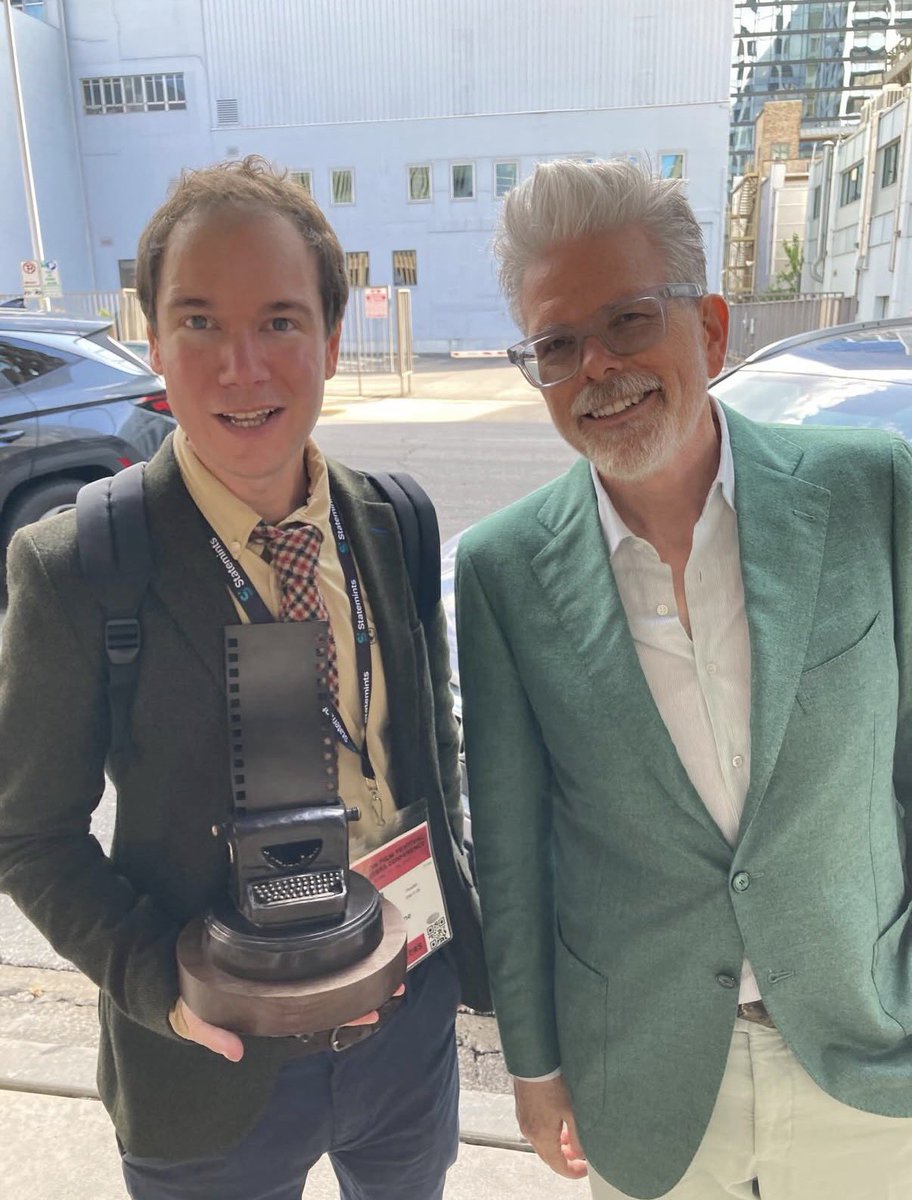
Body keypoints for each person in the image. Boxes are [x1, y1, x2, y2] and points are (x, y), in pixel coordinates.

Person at [0, 156, 488, 1200]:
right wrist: (161, 988)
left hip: (403, 1039)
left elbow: (426, 761)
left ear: (331, 339)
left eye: (277, 321)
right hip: (209, 1071)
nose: (241, 367)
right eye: (199, 323)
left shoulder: (395, 521)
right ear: (152, 345)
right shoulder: (78, 568)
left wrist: (451, 955)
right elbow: (27, 831)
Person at [455, 157, 912, 1200]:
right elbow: (515, 855)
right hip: (646, 1078)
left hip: (872, 1056)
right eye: (557, 345)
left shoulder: (871, 491)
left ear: (709, 329)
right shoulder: (504, 572)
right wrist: (533, 1066)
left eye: (627, 322)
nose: (597, 370)